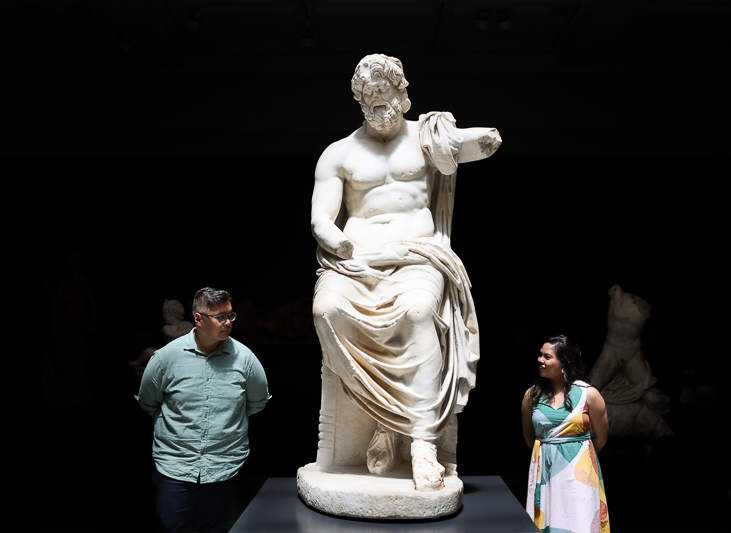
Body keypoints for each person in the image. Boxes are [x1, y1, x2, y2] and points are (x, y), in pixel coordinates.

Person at [310, 53, 501, 491]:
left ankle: (422, 443)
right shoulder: (338, 153)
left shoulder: (427, 136)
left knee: (417, 313)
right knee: (326, 311)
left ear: (403, 94)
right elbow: (321, 217)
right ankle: (380, 414)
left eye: (385, 91)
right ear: (359, 100)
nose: (379, 101)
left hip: (417, 257)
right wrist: (336, 242)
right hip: (356, 260)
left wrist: (467, 137)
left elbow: (484, 143)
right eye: (369, 94)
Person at [136, 287, 271, 533]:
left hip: (223, 465)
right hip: (174, 465)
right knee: (172, 526)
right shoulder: (166, 358)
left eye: (231, 315)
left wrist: (227, 423)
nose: (228, 322)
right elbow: (148, 402)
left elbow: (258, 402)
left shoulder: (245, 359)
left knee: (215, 528)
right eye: (220, 317)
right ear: (198, 319)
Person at [521, 335, 610, 533]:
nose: (540, 360)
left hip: (580, 473)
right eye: (540, 355)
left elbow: (602, 437)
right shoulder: (532, 395)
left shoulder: (588, 394)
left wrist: (577, 458)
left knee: (581, 522)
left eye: (547, 357)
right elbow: (528, 437)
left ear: (565, 362)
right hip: (546, 470)